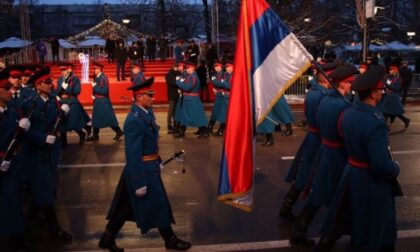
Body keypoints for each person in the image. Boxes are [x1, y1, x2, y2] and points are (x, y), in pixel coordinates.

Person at [99, 77, 191, 252]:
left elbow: (150, 144)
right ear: (139, 97)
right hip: (141, 171)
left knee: (126, 207)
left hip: (149, 168)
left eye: (152, 94)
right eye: (149, 95)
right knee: (157, 204)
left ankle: (107, 237)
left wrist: (156, 161)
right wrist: (140, 181)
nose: (153, 98)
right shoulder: (134, 120)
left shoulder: (146, 113)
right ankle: (170, 239)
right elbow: (133, 154)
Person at [317, 65, 400, 251]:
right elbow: (380, 164)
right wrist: (395, 168)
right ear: (372, 94)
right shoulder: (375, 122)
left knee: (356, 219)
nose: (382, 93)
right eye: (380, 90)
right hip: (370, 180)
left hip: (352, 173)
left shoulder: (348, 113)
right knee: (376, 226)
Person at [289, 64, 356, 247]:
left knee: (318, 194)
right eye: (349, 83)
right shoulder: (343, 105)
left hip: (325, 150)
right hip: (337, 155)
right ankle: (330, 238)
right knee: (338, 197)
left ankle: (299, 231)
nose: (351, 86)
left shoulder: (325, 100)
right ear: (342, 84)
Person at [280, 61, 336, 221]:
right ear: (326, 79)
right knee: (310, 175)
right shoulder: (322, 95)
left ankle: (287, 207)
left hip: (313, 137)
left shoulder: (313, 92)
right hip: (319, 139)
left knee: (304, 173)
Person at [25, 67, 73, 243]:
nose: (51, 84)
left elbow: (59, 123)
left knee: (44, 188)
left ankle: (31, 225)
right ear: (38, 86)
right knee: (44, 189)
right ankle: (53, 229)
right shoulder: (30, 103)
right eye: (47, 82)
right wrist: (43, 138)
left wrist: (65, 114)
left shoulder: (53, 101)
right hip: (38, 152)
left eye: (50, 81)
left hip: (52, 151)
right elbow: (25, 132)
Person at [0, 69, 32, 251]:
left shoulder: (9, 111)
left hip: (11, 164)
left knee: (12, 200)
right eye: (5, 88)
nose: (10, 91)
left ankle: (16, 236)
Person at [87, 62, 123, 141]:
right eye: (93, 69)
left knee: (108, 118)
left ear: (99, 69)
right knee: (96, 118)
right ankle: (95, 135)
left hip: (103, 101)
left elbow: (104, 91)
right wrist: (94, 95)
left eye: (95, 69)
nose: (94, 70)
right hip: (98, 100)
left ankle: (118, 131)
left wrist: (94, 86)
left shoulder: (103, 77)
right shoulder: (97, 77)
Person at [174, 61, 209, 138]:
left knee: (197, 116)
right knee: (185, 116)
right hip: (189, 99)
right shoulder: (191, 77)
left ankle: (204, 131)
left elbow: (187, 87)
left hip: (192, 99)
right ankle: (182, 131)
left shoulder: (193, 77)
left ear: (192, 68)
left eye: (188, 68)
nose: (186, 70)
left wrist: (178, 82)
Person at [56, 62, 87, 147]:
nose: (62, 72)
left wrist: (67, 88)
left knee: (73, 123)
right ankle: (64, 142)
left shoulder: (75, 79)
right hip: (62, 102)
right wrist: (58, 94)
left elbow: (77, 91)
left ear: (68, 70)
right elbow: (57, 91)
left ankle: (81, 134)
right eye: (61, 70)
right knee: (62, 123)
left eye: (64, 70)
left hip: (72, 102)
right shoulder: (60, 79)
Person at [207, 60, 231, 136]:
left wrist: (218, 83)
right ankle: (210, 127)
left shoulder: (225, 74)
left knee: (223, 113)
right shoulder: (217, 74)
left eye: (216, 66)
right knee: (216, 111)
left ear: (220, 66)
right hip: (220, 94)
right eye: (215, 66)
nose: (215, 68)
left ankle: (221, 129)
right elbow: (215, 82)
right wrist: (218, 83)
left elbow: (218, 83)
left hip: (223, 94)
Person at [165, 64, 180, 134]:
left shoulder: (179, 74)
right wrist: (178, 82)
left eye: (176, 67)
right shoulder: (168, 75)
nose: (176, 68)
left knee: (176, 110)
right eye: (175, 67)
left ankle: (175, 123)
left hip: (177, 94)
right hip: (171, 94)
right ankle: (169, 124)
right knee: (171, 110)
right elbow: (171, 83)